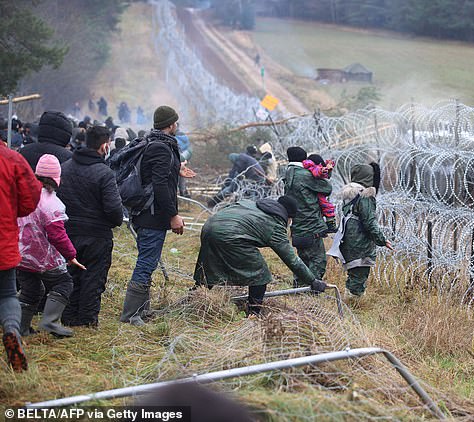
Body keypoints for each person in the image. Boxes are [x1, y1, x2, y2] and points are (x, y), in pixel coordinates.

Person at [193, 196, 326, 315]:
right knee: (260, 274)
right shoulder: (275, 224)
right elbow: (292, 259)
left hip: (209, 227)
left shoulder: (252, 204)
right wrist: (312, 281)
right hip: (230, 235)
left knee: (209, 265)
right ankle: (254, 313)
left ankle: (194, 297)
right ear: (289, 217)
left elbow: (230, 207)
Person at [119, 106, 188, 326]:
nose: (176, 125)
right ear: (170, 124)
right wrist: (173, 215)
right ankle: (131, 314)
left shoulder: (154, 142)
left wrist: (176, 168)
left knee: (148, 261)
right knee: (146, 262)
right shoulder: (161, 147)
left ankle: (142, 309)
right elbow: (159, 184)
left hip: (146, 214)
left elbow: (156, 174)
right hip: (152, 215)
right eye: (175, 122)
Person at [58, 126, 123, 327]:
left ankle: (68, 317)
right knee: (93, 279)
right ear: (104, 145)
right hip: (97, 236)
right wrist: (114, 221)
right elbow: (114, 210)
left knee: (71, 276)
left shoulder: (65, 167)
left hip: (68, 233)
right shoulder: (105, 173)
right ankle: (86, 321)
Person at [17, 155, 85, 338]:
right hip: (43, 258)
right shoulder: (51, 203)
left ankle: (21, 328)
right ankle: (50, 322)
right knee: (64, 283)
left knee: (32, 290)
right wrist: (71, 255)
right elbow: (57, 236)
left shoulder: (22, 193)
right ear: (57, 179)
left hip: (20, 255)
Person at [0, 140, 41, 371]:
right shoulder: (11, 159)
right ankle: (12, 331)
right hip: (2, 239)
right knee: (6, 295)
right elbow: (29, 200)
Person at [335, 163, 392, 298]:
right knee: (359, 275)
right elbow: (369, 222)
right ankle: (354, 303)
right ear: (368, 178)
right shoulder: (365, 195)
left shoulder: (349, 195)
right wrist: (382, 240)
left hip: (348, 238)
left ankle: (349, 298)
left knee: (354, 273)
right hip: (360, 242)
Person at [283, 146, 332, 286]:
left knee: (302, 260)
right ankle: (312, 291)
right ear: (304, 159)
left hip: (297, 226)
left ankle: (298, 288)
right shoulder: (305, 175)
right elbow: (327, 188)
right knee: (318, 261)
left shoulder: (287, 173)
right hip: (312, 226)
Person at [303, 154, 337, 233]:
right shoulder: (313, 167)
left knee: (325, 208)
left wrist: (329, 168)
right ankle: (331, 225)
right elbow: (316, 172)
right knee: (327, 207)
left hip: (318, 190)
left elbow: (326, 175)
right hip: (318, 192)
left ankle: (329, 224)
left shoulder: (310, 166)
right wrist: (322, 170)